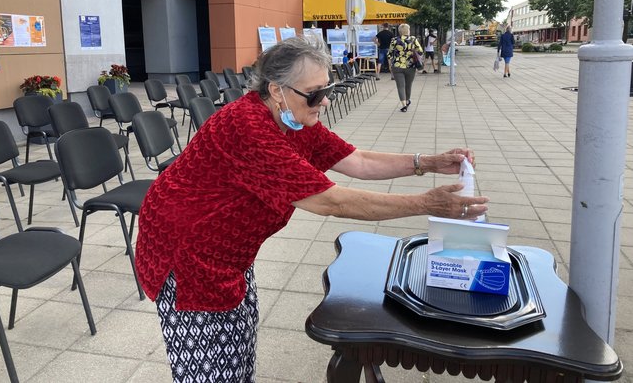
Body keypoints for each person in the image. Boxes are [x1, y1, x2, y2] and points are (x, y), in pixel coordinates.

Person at [135, 36, 488, 383]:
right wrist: (428, 204)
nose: (326, 101)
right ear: (277, 90)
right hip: (187, 252)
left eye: (328, 89)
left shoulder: (297, 119)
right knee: (209, 361)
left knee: (238, 342)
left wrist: (426, 162)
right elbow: (329, 201)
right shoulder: (247, 128)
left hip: (228, 250)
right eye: (316, 94)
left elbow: (359, 161)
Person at [389, 23, 423, 112]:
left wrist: (390, 64)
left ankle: (404, 105)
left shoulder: (394, 40)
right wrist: (412, 52)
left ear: (400, 31)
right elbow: (420, 51)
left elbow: (389, 54)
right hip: (410, 66)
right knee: (408, 85)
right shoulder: (413, 39)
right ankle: (407, 100)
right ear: (408, 30)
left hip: (397, 66)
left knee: (400, 86)